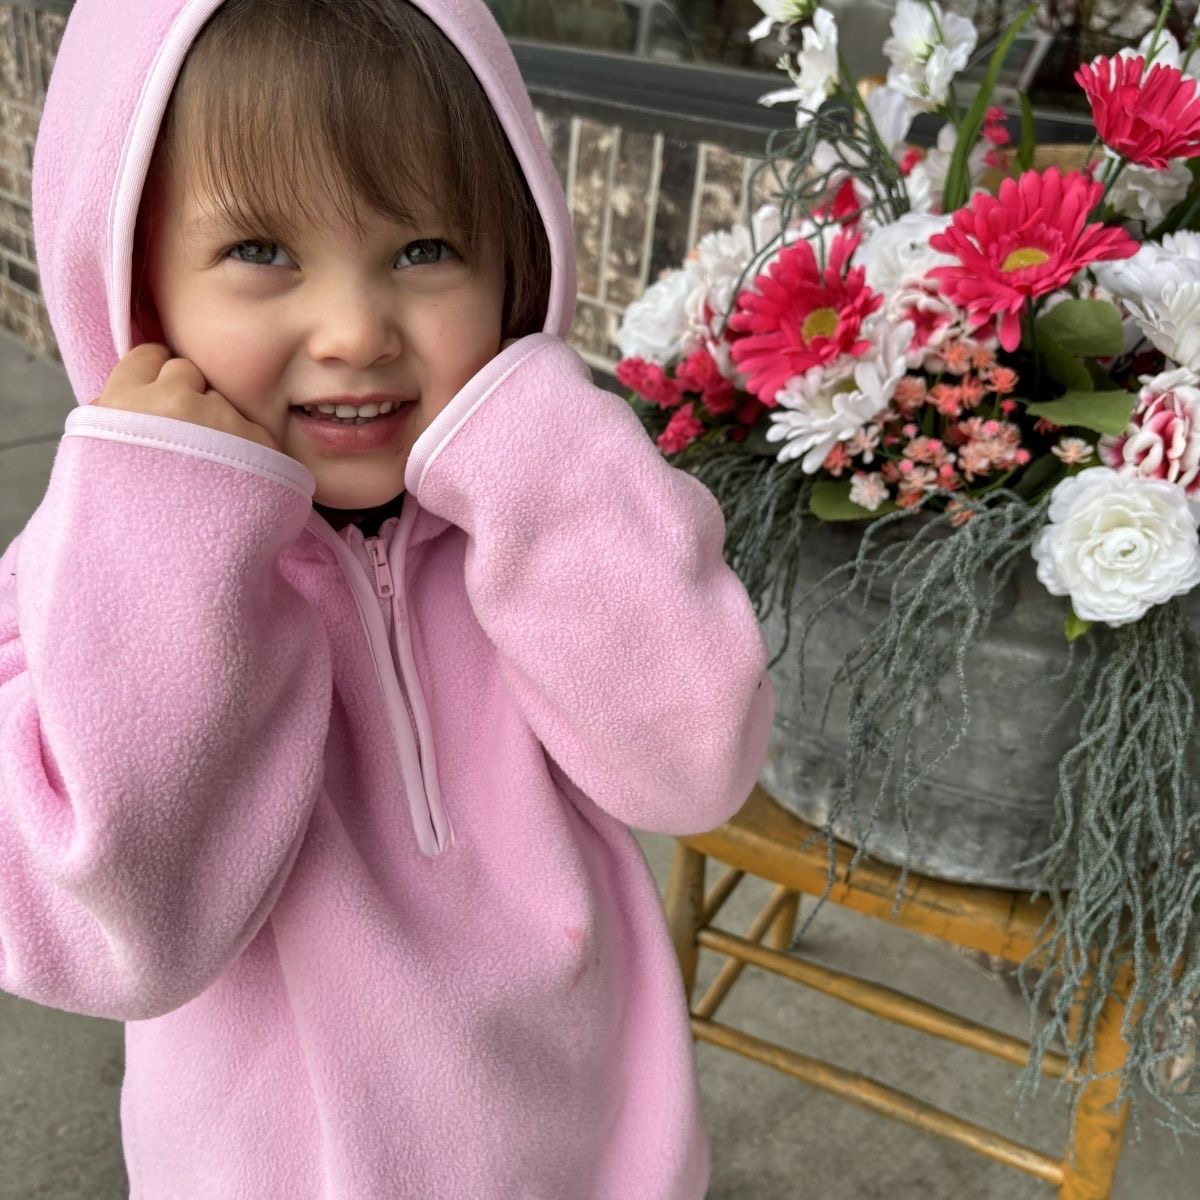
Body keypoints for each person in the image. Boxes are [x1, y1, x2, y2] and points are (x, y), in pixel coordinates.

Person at [2, 1, 774, 1196]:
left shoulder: (539, 510)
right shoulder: (81, 567)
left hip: (590, 1152)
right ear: (134, 282)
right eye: (260, 250)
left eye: (424, 250)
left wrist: (539, 446)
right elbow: (113, 936)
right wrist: (165, 523)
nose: (356, 332)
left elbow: (694, 772)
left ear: (514, 261)